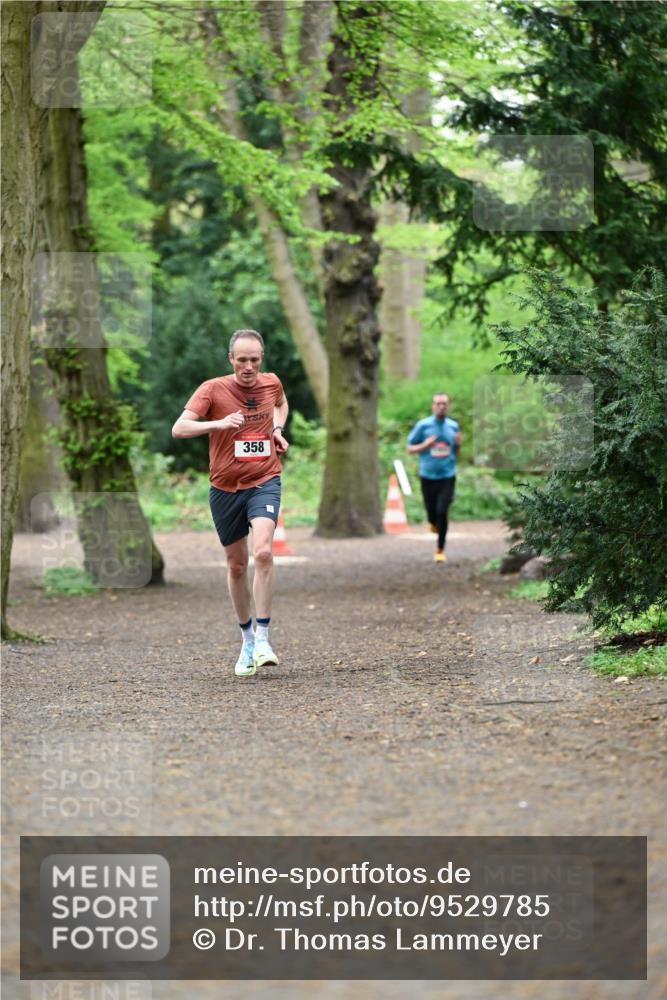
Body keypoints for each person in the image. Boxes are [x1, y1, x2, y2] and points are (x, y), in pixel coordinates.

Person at [172, 329, 289, 677]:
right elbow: (179, 429)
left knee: (264, 552)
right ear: (231, 360)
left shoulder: (271, 384)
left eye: (254, 360)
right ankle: (247, 640)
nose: (249, 367)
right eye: (242, 360)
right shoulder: (212, 389)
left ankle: (265, 638)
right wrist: (220, 423)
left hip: (265, 479)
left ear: (261, 359)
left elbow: (281, 404)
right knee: (236, 565)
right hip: (224, 488)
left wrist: (278, 430)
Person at [407, 392, 462, 563]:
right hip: (428, 476)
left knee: (442, 511)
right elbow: (409, 448)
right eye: (438, 403)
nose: (441, 406)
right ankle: (432, 522)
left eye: (444, 403)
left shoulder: (453, 426)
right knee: (431, 513)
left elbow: (456, 452)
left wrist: (458, 444)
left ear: (448, 406)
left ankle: (440, 549)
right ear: (433, 406)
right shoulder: (423, 426)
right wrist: (426, 444)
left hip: (447, 476)